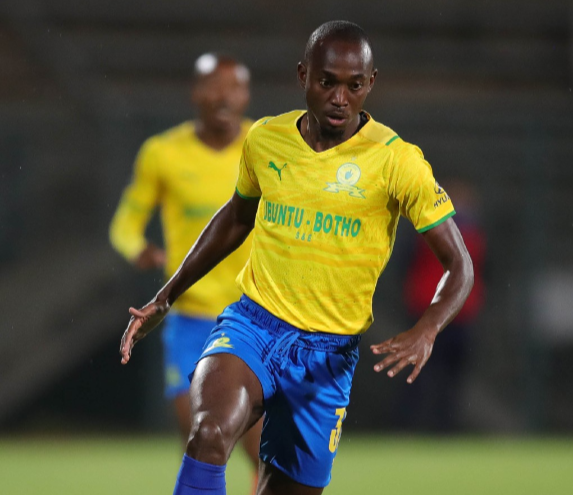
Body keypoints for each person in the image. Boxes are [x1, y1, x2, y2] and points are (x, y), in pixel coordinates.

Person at [119, 21, 474, 495]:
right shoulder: (266, 139)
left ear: (370, 84)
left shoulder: (397, 161)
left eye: (353, 85)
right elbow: (235, 219)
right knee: (208, 433)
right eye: (327, 81)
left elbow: (460, 264)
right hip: (253, 325)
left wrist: (427, 328)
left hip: (327, 356)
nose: (340, 98)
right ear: (304, 75)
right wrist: (166, 296)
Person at [109, 53, 263, 480]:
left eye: (235, 86)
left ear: (247, 95)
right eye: (214, 85)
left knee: (261, 453)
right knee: (200, 441)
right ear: (196, 93)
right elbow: (125, 220)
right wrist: (136, 247)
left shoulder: (265, 146)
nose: (225, 96)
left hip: (250, 317)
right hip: (189, 318)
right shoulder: (163, 153)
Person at [402, 181, 486, 432]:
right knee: (425, 374)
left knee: (437, 375)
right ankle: (420, 426)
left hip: (448, 313)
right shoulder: (469, 232)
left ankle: (432, 427)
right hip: (434, 312)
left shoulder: (470, 232)